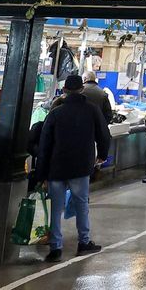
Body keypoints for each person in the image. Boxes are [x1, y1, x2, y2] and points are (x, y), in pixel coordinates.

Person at [33, 74, 110, 262]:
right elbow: (104, 134)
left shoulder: (55, 113)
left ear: (65, 90)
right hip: (81, 165)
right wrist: (102, 155)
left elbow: (44, 145)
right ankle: (84, 242)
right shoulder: (91, 110)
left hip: (56, 166)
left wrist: (41, 173)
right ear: (82, 89)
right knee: (81, 204)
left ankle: (56, 247)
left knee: (56, 207)